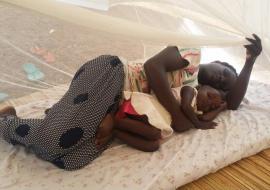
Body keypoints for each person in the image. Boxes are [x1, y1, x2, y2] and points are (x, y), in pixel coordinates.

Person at [0, 34, 262, 170]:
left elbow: (234, 102)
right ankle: (6, 121)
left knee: (70, 160)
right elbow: (152, 65)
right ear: (219, 61)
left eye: (224, 84)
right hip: (111, 74)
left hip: (114, 104)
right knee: (55, 140)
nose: (221, 78)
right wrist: (179, 117)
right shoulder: (191, 56)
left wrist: (249, 63)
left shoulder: (190, 89)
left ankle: (53, 116)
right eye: (226, 71)